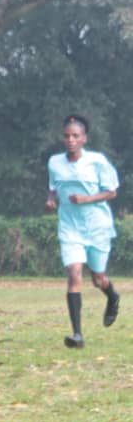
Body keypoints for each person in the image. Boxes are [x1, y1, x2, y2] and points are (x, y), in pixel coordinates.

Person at [45, 114, 121, 348]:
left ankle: (112, 296)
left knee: (97, 279)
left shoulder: (97, 161)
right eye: (67, 136)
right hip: (70, 227)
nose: (70, 140)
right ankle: (77, 335)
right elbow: (53, 187)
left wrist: (86, 199)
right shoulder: (54, 162)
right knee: (74, 274)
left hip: (97, 227)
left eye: (75, 136)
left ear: (84, 138)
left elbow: (112, 192)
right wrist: (51, 199)